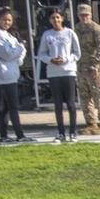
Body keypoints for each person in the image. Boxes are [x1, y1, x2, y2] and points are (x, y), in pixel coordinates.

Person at [0, 7, 35, 144]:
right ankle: (20, 135)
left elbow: (18, 55)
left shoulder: (8, 35)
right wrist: (20, 47)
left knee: (7, 108)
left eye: (9, 20)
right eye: (4, 20)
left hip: (10, 74)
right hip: (6, 75)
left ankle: (3, 136)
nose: (7, 22)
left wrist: (19, 50)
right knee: (13, 107)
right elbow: (7, 54)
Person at [37, 8, 81, 143]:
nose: (56, 20)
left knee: (71, 103)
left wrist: (66, 59)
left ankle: (73, 132)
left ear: (62, 18)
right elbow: (42, 54)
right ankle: (61, 133)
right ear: (50, 20)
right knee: (57, 104)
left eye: (58, 17)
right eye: (53, 18)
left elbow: (77, 53)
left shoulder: (70, 33)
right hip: (53, 73)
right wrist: (51, 60)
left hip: (68, 71)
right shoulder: (47, 35)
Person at [76, 3, 100, 136]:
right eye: (81, 15)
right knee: (85, 96)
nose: (84, 17)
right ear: (78, 15)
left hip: (95, 68)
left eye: (86, 15)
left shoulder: (97, 29)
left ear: (90, 15)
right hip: (81, 67)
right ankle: (91, 123)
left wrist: (96, 65)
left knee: (99, 95)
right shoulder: (77, 29)